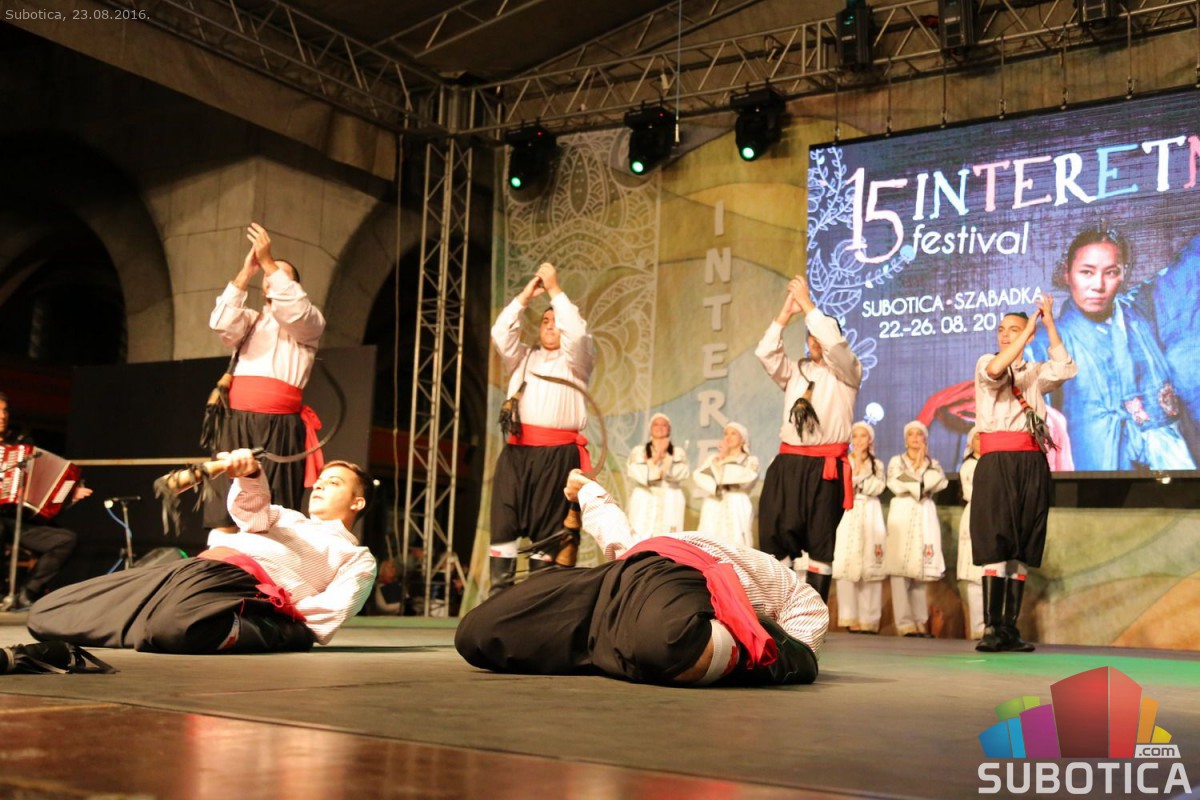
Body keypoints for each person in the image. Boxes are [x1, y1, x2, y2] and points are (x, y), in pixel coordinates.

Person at [455, 470, 828, 687]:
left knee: (673, 642)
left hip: (672, 593)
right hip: (615, 581)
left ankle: (743, 651)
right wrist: (585, 489)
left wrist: (788, 651)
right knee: (476, 633)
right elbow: (615, 531)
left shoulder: (767, 586)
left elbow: (807, 607)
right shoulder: (747, 560)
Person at [27, 449, 377, 653]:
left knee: (174, 626)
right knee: (49, 613)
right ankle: (154, 624)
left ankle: (184, 624)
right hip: (195, 571)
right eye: (320, 481)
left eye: (334, 483)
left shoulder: (355, 555)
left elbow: (333, 610)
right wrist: (250, 474)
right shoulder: (287, 516)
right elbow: (249, 513)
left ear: (357, 502)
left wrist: (288, 624)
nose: (320, 486)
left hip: (244, 589)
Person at [1028, 226, 1199, 471]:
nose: (1098, 285)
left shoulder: (1141, 311)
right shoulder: (1045, 342)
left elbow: (1189, 268)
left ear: (1123, 273)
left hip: (1168, 463)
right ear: (1067, 273)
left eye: (1111, 272)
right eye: (1086, 272)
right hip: (1095, 466)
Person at [205, 223, 327, 531]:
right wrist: (247, 271)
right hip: (236, 419)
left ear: (294, 287)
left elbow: (296, 311)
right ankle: (220, 552)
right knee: (224, 501)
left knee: (274, 507)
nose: (270, 276)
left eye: (279, 274)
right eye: (268, 274)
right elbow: (220, 322)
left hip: (279, 423)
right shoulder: (250, 320)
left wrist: (269, 261)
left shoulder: (309, 322)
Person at [972, 295, 1077, 653]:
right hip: (998, 462)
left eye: (1013, 330)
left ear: (1028, 336)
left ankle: (1009, 628)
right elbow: (995, 372)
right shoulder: (986, 362)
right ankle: (991, 627)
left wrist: (1048, 324)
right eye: (1001, 330)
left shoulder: (1034, 372)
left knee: (1022, 544)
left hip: (1032, 462)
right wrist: (1025, 331)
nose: (1004, 335)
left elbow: (1065, 368)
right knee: (995, 539)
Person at [755, 274, 862, 602]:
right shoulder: (796, 371)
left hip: (824, 468)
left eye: (820, 335)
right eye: (810, 335)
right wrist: (785, 315)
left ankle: (814, 615)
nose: (814, 340)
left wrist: (807, 303)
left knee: (820, 541)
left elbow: (835, 344)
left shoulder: (848, 372)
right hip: (789, 463)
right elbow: (766, 353)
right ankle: (782, 609)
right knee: (775, 535)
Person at [489, 262, 595, 591]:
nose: (550, 326)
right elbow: (500, 333)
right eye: (545, 321)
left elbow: (577, 333)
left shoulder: (577, 361)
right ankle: (498, 598)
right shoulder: (523, 358)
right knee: (503, 523)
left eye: (555, 322)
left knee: (549, 531)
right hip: (517, 454)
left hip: (556, 456)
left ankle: (537, 598)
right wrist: (524, 297)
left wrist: (554, 289)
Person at [0, 391, 92, 610]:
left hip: (18, 520)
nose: (2, 416)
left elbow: (39, 480)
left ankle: (27, 592)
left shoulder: (20, 445)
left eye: (4, 410)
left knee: (65, 540)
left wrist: (69, 495)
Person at [882, 420, 948, 638]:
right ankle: (904, 624)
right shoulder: (896, 462)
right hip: (902, 513)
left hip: (924, 515)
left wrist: (919, 473)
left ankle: (920, 623)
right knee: (900, 573)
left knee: (920, 574)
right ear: (905, 439)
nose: (915, 438)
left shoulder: (933, 463)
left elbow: (939, 481)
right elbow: (896, 483)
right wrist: (921, 479)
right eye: (911, 434)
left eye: (919, 435)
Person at [831, 421, 887, 634]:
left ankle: (869, 620)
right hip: (848, 511)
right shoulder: (845, 461)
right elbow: (841, 485)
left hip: (870, 511)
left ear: (869, 439)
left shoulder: (877, 464)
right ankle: (849, 617)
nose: (859, 440)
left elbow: (878, 486)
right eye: (855, 436)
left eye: (863, 436)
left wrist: (857, 483)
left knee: (870, 564)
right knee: (847, 562)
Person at [693, 422, 759, 547]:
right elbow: (699, 475)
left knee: (736, 540)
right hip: (714, 502)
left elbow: (747, 479)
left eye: (733, 434)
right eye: (726, 434)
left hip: (737, 502)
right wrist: (716, 485)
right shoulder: (714, 459)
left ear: (742, 439)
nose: (728, 437)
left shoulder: (749, 460)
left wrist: (724, 463)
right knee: (710, 540)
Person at [625, 413, 690, 536]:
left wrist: (666, 458)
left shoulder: (677, 452)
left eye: (664, 425)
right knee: (640, 535)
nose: (660, 427)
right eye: (656, 424)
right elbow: (634, 471)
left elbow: (683, 472)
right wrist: (656, 459)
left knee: (668, 537)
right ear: (650, 428)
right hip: (645, 497)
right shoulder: (639, 451)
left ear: (669, 429)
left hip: (670, 497)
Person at [957, 428, 985, 640]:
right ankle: (978, 627)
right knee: (975, 576)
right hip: (976, 514)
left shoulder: (996, 462)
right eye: (977, 436)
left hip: (995, 516)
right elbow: (971, 492)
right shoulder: (968, 466)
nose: (981, 441)